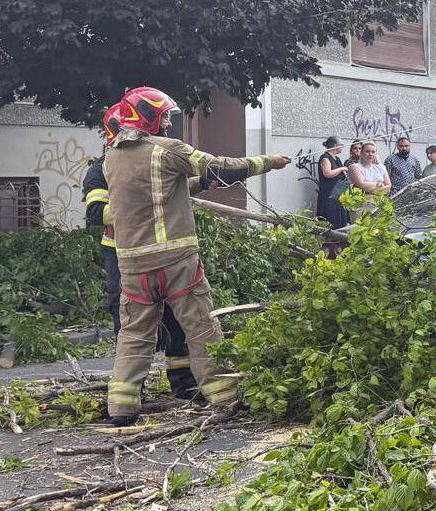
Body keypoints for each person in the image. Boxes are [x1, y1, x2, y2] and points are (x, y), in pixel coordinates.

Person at [102, 87, 291, 424]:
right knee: (202, 328)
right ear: (150, 117)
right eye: (164, 117)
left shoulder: (113, 157)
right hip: (177, 261)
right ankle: (225, 398)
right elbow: (221, 167)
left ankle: (121, 408)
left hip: (132, 265)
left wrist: (201, 185)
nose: (167, 123)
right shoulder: (167, 150)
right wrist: (269, 162)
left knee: (134, 335)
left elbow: (161, 194)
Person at [83, 107, 201, 402]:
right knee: (128, 321)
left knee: (177, 315)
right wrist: (134, 205)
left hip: (162, 250)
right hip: (123, 255)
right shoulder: (102, 168)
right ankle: (132, 389)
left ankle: (183, 382)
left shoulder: (155, 157)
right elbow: (96, 213)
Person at [316, 136, 350, 228]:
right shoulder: (325, 158)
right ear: (335, 145)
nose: (342, 147)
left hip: (338, 193)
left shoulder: (337, 159)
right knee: (331, 219)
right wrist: (342, 168)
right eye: (341, 145)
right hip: (328, 194)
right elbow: (327, 173)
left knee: (340, 218)